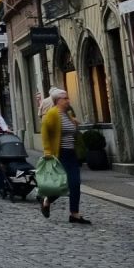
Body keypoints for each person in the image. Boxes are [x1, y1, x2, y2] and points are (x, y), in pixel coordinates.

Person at [41, 86, 90, 225]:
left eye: (68, 98)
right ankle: (47, 200)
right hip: (60, 154)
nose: (68, 100)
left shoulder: (67, 114)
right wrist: (47, 152)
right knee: (63, 184)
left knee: (75, 183)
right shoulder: (52, 113)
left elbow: (71, 131)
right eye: (65, 98)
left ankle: (74, 214)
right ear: (58, 100)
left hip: (71, 153)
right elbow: (45, 132)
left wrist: (74, 123)